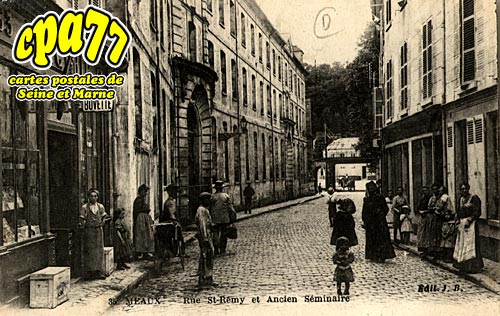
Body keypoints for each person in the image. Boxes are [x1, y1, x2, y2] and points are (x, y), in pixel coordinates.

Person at [453, 183, 484, 273]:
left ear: (468, 189)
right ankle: (462, 264)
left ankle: (473, 266)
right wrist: (458, 219)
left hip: (471, 224)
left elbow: (477, 211)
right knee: (462, 244)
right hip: (462, 224)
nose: (463, 191)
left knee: (470, 244)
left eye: (465, 189)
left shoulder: (474, 198)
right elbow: (458, 211)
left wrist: (470, 220)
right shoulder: (461, 199)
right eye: (462, 189)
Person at [362, 181, 396, 263]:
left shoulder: (380, 198)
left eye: (372, 189)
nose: (371, 190)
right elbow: (364, 212)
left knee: (381, 239)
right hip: (371, 223)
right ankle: (373, 255)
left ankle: (382, 255)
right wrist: (366, 220)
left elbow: (386, 209)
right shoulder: (367, 200)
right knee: (372, 239)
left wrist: (381, 215)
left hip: (380, 223)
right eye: (369, 189)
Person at [79, 188, 109, 279]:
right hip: (89, 231)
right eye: (91, 196)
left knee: (98, 250)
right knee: (89, 251)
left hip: (98, 230)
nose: (93, 198)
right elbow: (82, 219)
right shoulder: (84, 207)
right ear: (88, 197)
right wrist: (83, 225)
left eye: (95, 196)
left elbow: (104, 216)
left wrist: (102, 223)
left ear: (97, 197)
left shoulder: (100, 207)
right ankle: (90, 272)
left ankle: (98, 271)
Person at [210, 180, 236, 255]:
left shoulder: (212, 197)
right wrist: (233, 217)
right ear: (222, 188)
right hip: (225, 219)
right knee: (224, 234)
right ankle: (222, 249)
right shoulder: (226, 196)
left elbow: (210, 208)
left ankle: (216, 249)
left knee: (215, 233)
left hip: (215, 219)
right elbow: (230, 208)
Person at [195, 192, 215, 286]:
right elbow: (202, 225)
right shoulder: (202, 210)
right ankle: (206, 277)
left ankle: (203, 276)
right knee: (207, 255)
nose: (209, 201)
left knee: (206, 255)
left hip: (207, 234)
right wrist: (205, 238)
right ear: (203, 200)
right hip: (205, 235)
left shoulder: (203, 209)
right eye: (207, 199)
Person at [133, 184, 155, 260]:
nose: (145, 193)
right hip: (141, 220)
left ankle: (146, 253)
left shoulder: (142, 200)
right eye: (144, 191)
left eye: (146, 191)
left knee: (146, 235)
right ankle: (140, 253)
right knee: (142, 235)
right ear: (140, 191)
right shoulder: (138, 200)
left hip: (144, 219)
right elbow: (137, 211)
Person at [438, 186, 456, 262]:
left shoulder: (444, 197)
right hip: (446, 218)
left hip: (448, 219)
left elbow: (439, 207)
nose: (439, 191)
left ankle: (448, 256)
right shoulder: (444, 197)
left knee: (448, 238)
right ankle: (446, 256)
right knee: (446, 238)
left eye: (440, 190)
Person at [416, 186, 432, 254]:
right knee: (421, 232)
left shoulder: (430, 198)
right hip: (421, 216)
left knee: (426, 232)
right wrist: (420, 211)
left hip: (427, 216)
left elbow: (431, 208)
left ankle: (426, 247)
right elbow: (418, 207)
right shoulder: (422, 198)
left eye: (426, 190)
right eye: (423, 191)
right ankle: (421, 246)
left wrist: (425, 212)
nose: (424, 192)